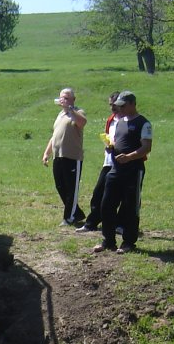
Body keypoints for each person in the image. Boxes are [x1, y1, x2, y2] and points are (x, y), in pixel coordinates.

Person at [94, 91, 151, 254]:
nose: (120, 109)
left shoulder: (143, 123)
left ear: (133, 104)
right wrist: (111, 148)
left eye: (123, 106)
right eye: (118, 106)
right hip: (115, 169)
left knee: (130, 207)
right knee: (106, 204)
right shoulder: (119, 123)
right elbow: (119, 143)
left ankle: (128, 242)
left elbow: (146, 147)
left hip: (133, 170)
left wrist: (130, 157)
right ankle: (108, 240)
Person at [76, 91, 121, 234]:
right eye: (110, 105)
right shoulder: (111, 120)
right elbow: (108, 136)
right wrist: (107, 144)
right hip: (108, 162)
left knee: (120, 196)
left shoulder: (127, 120)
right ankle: (91, 223)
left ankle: (119, 225)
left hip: (123, 163)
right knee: (98, 193)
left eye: (114, 105)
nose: (112, 108)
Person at [42, 87, 88, 226]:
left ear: (73, 100)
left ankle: (69, 217)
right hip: (58, 156)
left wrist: (70, 109)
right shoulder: (60, 115)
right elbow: (54, 136)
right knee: (60, 186)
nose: (63, 100)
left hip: (72, 156)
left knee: (71, 187)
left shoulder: (77, 112)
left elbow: (82, 122)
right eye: (62, 97)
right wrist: (46, 153)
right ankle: (77, 213)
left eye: (67, 98)